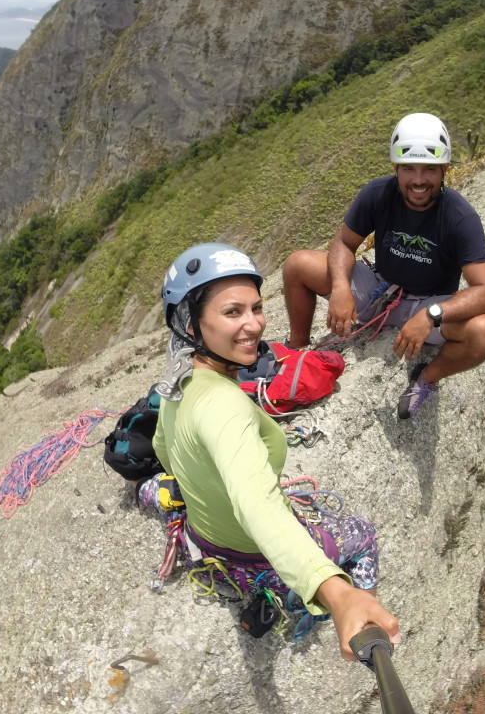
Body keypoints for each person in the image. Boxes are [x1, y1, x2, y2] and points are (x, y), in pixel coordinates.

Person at [144, 242, 400, 660]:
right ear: (191, 324)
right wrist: (338, 594)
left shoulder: (179, 377)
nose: (254, 325)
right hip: (253, 556)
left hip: (204, 538)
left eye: (256, 308)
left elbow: (163, 448)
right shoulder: (226, 407)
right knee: (363, 536)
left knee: (157, 486)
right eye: (232, 312)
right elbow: (258, 507)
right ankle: (365, 614)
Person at [282, 112, 485, 419]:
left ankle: (427, 378)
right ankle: (297, 348)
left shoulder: (459, 217)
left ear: (445, 170)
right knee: (297, 265)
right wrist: (342, 288)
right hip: (378, 287)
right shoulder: (379, 193)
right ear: (395, 168)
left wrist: (431, 314)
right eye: (408, 168)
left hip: (426, 304)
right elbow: (344, 242)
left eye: (430, 170)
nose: (419, 180)